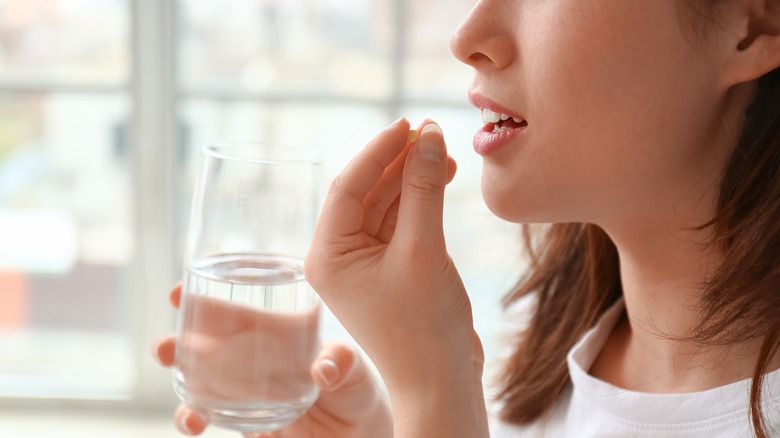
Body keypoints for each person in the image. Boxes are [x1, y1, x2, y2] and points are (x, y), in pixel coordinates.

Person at [153, 0, 780, 436]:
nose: (467, 37)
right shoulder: (553, 343)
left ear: (754, 24)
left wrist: (433, 391)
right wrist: (390, 425)